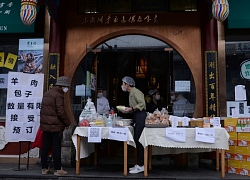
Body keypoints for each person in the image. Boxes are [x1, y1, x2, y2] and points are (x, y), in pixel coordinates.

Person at [40, 76, 71, 176]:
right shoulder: (58, 95)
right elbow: (60, 112)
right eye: (67, 87)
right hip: (55, 126)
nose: (67, 89)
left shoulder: (47, 93)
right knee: (56, 147)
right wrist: (67, 123)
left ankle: (44, 168)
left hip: (45, 125)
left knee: (45, 147)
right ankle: (58, 169)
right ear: (63, 86)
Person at [120, 76, 147, 174]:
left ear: (127, 84)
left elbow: (142, 104)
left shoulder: (136, 92)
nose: (122, 85)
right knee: (137, 140)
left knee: (139, 140)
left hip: (141, 116)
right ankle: (139, 164)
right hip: (136, 116)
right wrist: (129, 110)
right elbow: (134, 107)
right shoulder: (131, 93)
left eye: (123, 83)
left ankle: (141, 165)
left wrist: (131, 109)